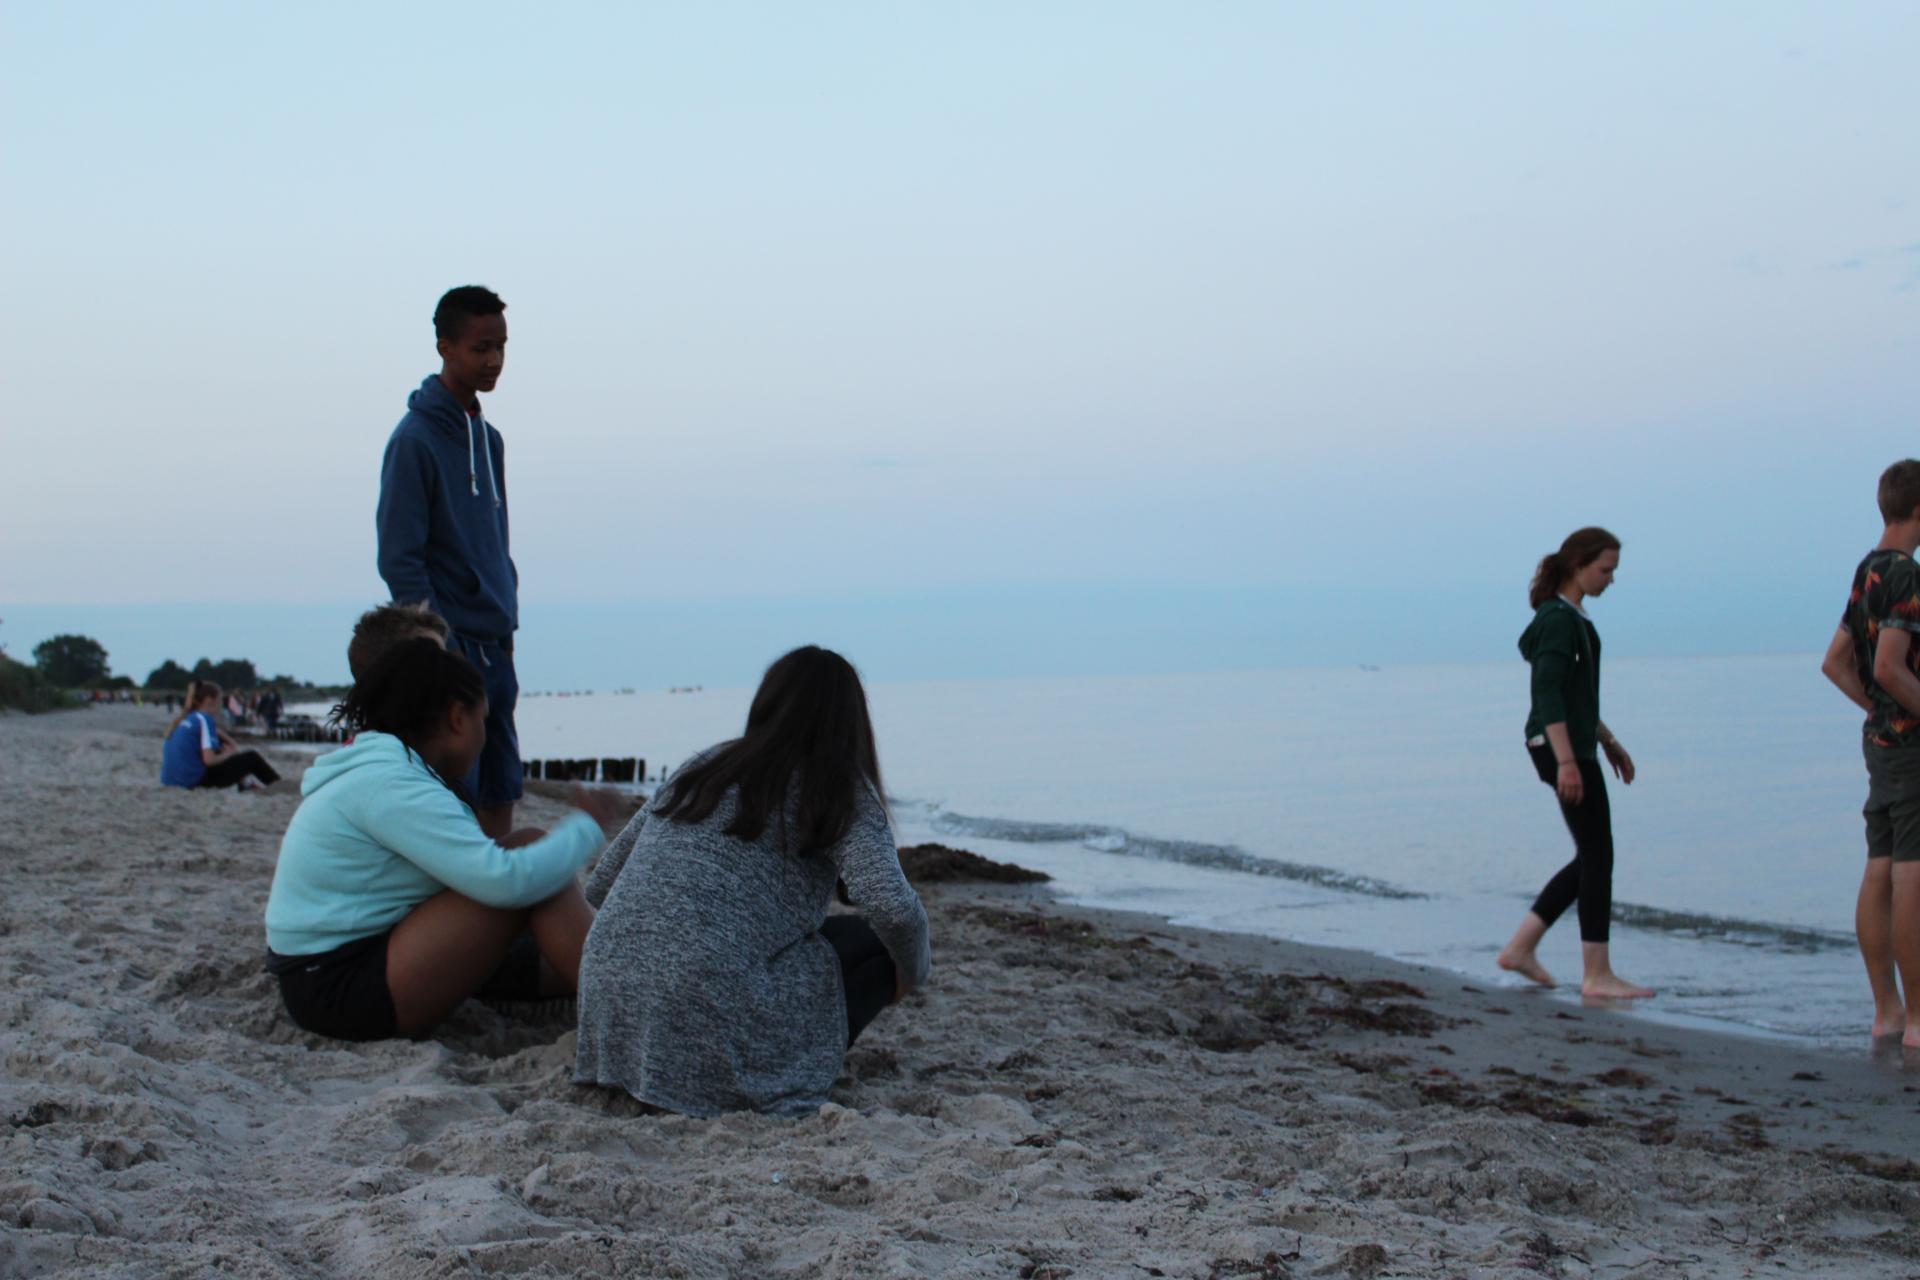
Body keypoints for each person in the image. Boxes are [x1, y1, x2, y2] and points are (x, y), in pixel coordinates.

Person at [574, 646, 931, 1117]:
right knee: (876, 944)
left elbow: (602, 884)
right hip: (707, 1027)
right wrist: (915, 972)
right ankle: (781, 1064)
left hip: (607, 1023)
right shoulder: (838, 787)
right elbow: (893, 908)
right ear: (852, 722)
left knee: (810, 941)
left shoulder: (703, 766)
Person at [263, 638, 623, 1041]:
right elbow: (506, 880)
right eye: (483, 719)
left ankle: (616, 978)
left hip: (345, 962)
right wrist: (586, 827)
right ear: (457, 718)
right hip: (337, 986)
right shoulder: (392, 785)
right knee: (527, 854)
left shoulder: (385, 769)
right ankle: (629, 1004)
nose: (485, 735)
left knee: (530, 860)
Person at [376, 285, 521, 842]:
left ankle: (498, 898)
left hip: (495, 646)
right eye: (481, 347)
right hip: (452, 649)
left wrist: (507, 633)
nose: (494, 360)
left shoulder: (491, 440)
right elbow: (400, 560)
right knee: (454, 803)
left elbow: (497, 545)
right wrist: (441, 648)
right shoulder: (413, 440)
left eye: (501, 347)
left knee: (501, 790)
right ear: (445, 347)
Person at [1496, 528, 1653, 999]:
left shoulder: (1570, 617)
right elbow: (1547, 693)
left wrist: (1608, 741)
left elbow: (1576, 697)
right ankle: (1596, 975)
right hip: (1559, 748)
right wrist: (1567, 761)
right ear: (1577, 566)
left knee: (1592, 853)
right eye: (1606, 569)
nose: (1611, 579)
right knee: (1598, 854)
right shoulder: (1559, 620)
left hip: (1570, 745)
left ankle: (1522, 948)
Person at [1820, 460, 1920, 1048]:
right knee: (1912, 874)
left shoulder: (1869, 570)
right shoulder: (1905, 573)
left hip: (1881, 743)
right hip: (1910, 749)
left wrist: (1879, 711)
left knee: (1880, 865)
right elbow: (1888, 666)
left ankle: (1888, 1012)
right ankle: (1918, 1022)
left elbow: (1835, 662)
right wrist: (1901, 708)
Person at [161, 680, 282, 791]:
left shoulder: (185, 719)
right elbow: (209, 760)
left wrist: (225, 741)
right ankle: (279, 785)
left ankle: (246, 784)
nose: (222, 704)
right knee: (251, 758)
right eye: (220, 700)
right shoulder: (204, 718)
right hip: (194, 782)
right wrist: (229, 753)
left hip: (171, 781)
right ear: (209, 700)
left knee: (222, 747)